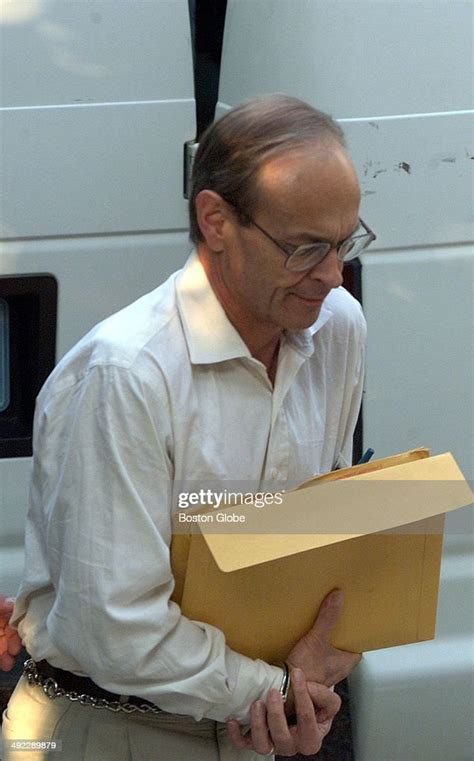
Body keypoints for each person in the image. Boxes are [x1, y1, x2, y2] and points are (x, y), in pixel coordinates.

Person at [2, 94, 374, 759]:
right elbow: (113, 629)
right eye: (307, 247)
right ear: (216, 220)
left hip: (258, 723)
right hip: (112, 730)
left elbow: (320, 532)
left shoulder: (337, 324)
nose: (332, 273)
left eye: (346, 240)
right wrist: (276, 689)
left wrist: (320, 661)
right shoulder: (125, 374)